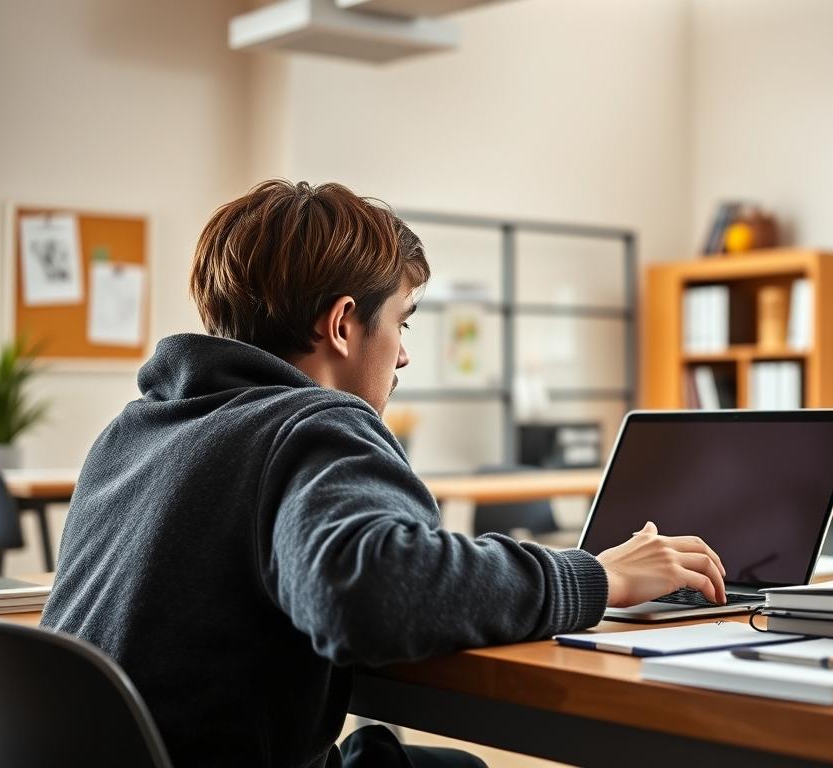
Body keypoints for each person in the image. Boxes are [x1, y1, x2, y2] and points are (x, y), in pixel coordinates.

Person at [41, 180, 728, 768]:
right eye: (403, 322)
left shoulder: (134, 431)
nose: (403, 356)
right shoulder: (312, 424)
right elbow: (370, 591)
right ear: (343, 325)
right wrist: (600, 577)